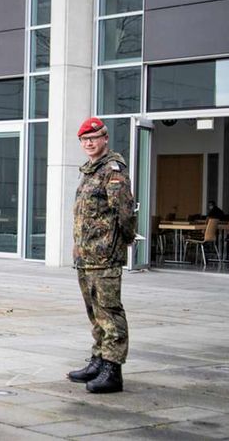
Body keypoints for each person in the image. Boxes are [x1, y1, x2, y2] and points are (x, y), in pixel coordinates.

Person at [68, 117, 135, 394]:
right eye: (85, 140)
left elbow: (124, 212)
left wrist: (122, 243)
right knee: (94, 312)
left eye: (94, 138)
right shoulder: (89, 170)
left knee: (110, 311)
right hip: (86, 255)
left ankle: (113, 368)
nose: (89, 143)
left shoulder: (112, 169)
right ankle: (98, 358)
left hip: (105, 255)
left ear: (105, 138)